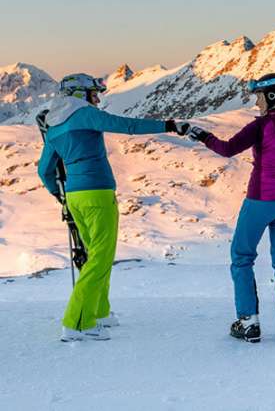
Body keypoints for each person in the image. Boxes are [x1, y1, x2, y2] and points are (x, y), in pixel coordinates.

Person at [37, 73, 190, 341]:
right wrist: (168, 125)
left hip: (75, 196)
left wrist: (58, 195)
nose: (97, 98)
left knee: (95, 253)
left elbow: (44, 170)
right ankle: (77, 322)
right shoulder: (83, 114)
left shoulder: (54, 125)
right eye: (93, 93)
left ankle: (99, 311)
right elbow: (126, 125)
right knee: (101, 257)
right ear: (79, 94)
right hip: (97, 192)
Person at [187, 73, 275, 344]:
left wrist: (202, 135)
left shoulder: (261, 126)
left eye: (259, 96)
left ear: (271, 95)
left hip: (261, 199)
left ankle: (248, 322)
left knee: (242, 257)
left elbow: (227, 150)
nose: (257, 102)